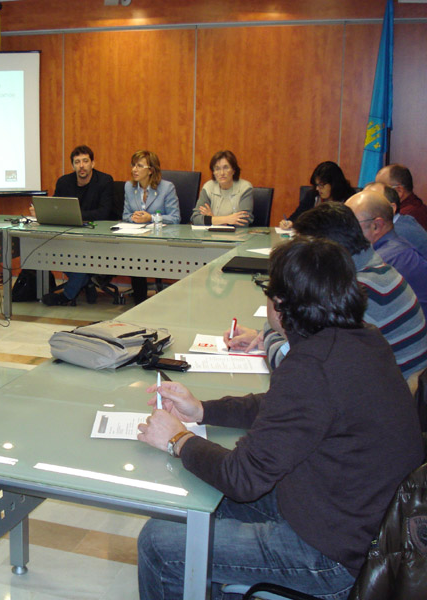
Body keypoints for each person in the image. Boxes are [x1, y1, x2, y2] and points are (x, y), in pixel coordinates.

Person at [137, 236, 424, 600]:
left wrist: (179, 440)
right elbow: (281, 406)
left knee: (160, 542)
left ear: (282, 304)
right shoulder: (360, 339)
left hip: (335, 556)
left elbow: (242, 478)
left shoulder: (313, 366)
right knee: (195, 505)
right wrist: (204, 410)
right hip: (350, 516)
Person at [228, 202, 427, 384]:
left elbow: (294, 367)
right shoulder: (374, 271)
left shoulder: (356, 294)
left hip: (385, 407)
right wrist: (266, 334)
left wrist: (271, 332)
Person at [40, 145, 114, 306]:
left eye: (85, 161)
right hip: (68, 235)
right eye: (77, 162)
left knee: (81, 257)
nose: (81, 165)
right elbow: (55, 208)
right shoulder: (64, 182)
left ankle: (67, 295)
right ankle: (85, 280)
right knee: (46, 249)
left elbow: (104, 213)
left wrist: (75, 215)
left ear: (93, 163)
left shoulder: (104, 181)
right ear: (72, 165)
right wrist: (41, 212)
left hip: (95, 236)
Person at [346, 189, 427, 317]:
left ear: (376, 226)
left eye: (352, 224)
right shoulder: (396, 248)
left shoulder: (385, 261)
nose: (346, 231)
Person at [122, 150, 180, 303]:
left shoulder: (167, 188)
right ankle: (139, 300)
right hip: (137, 240)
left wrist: (151, 218)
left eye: (139, 166)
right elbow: (125, 215)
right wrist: (133, 218)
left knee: (139, 253)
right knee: (134, 254)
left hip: (160, 240)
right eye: (133, 165)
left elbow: (175, 218)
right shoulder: (129, 187)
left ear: (151, 170)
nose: (134, 169)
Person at [279, 161, 354, 229]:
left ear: (334, 184)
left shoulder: (350, 198)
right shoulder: (312, 195)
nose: (317, 189)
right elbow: (298, 216)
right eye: (316, 185)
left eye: (321, 185)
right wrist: (289, 223)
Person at [365, 181, 427, 258]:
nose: (364, 208)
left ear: (392, 208)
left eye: (371, 203)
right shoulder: (402, 221)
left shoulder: (400, 232)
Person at [191, 150, 253, 226]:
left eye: (226, 168)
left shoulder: (245, 188)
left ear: (233, 170)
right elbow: (196, 219)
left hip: (237, 236)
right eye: (217, 169)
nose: (222, 173)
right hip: (211, 237)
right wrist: (227, 219)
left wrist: (212, 218)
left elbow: (244, 221)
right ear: (213, 172)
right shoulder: (208, 187)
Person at [376, 164, 427, 231]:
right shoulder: (419, 207)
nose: (376, 194)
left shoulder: (404, 218)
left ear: (399, 191)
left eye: (380, 189)